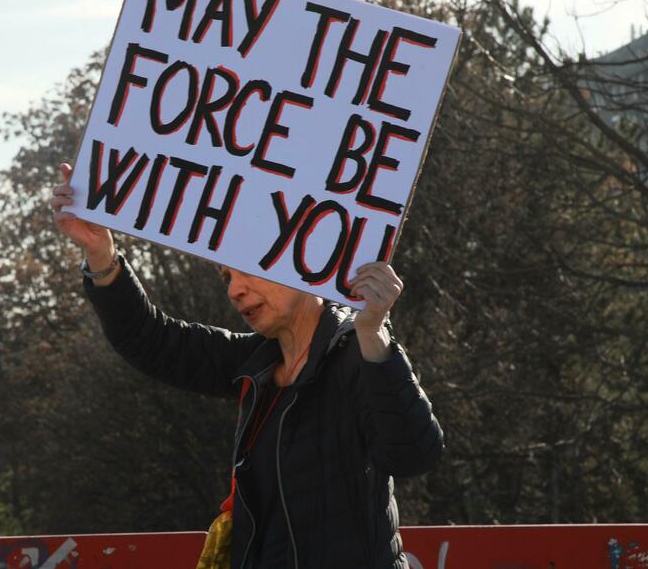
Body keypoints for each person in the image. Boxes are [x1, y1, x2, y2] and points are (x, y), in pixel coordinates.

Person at [52, 162, 444, 569]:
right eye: (226, 278)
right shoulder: (253, 363)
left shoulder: (360, 350)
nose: (235, 290)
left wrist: (375, 337)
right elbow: (150, 339)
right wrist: (100, 252)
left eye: (249, 272)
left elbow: (416, 454)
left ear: (303, 258)